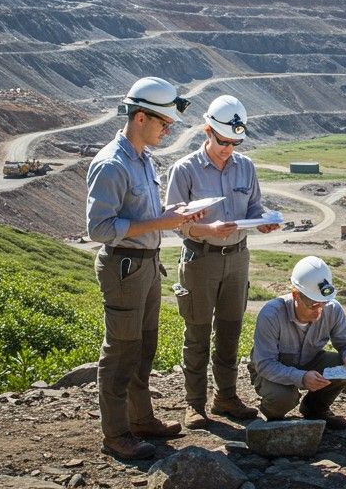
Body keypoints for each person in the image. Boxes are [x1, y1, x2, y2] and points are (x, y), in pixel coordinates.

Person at [86, 76, 206, 461]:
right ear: (140, 117)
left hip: (146, 266)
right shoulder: (111, 164)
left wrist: (174, 215)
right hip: (124, 268)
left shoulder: (143, 159)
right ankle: (116, 433)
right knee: (121, 351)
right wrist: (160, 224)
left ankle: (141, 420)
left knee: (144, 347)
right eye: (163, 122)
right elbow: (99, 228)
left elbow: (145, 215)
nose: (167, 129)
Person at [165, 94, 279, 427]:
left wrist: (263, 220)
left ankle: (226, 398)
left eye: (234, 142)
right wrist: (207, 229)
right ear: (207, 132)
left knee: (230, 331)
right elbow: (174, 222)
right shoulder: (184, 170)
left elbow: (254, 206)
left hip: (238, 258)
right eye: (222, 141)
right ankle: (194, 404)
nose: (228, 148)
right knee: (197, 333)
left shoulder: (246, 167)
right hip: (201, 259)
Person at [249, 256, 346, 430]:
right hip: (273, 369)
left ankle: (315, 409)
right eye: (313, 304)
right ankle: (270, 413)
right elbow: (265, 364)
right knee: (283, 399)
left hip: (310, 361)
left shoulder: (332, 309)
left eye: (323, 304)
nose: (320, 310)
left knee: (344, 369)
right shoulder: (271, 314)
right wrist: (301, 378)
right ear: (296, 295)